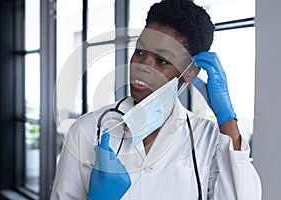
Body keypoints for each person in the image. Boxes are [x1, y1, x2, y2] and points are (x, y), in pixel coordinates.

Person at [51, 0, 262, 199]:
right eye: (140, 51)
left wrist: (227, 119)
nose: (142, 66)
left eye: (162, 60)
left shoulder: (208, 138)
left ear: (189, 73)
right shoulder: (87, 130)